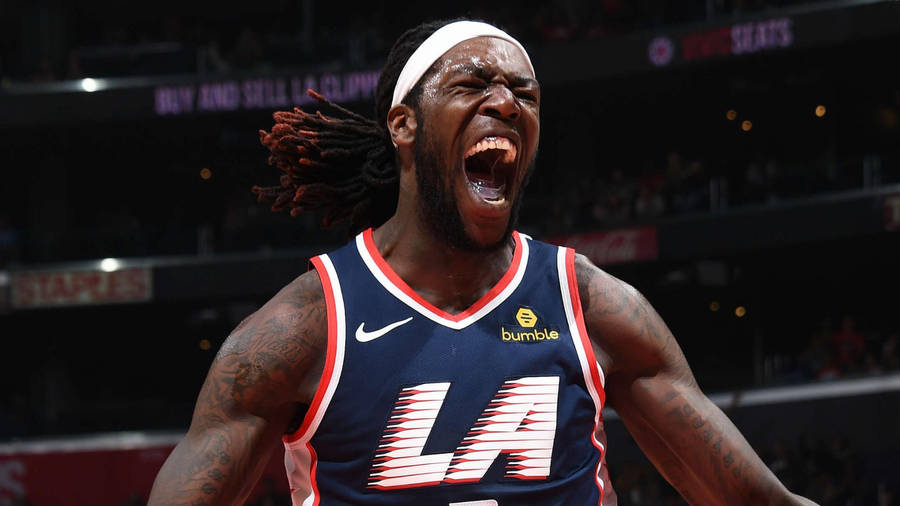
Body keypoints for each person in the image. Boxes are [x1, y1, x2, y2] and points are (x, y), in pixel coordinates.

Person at [148, 18, 816, 505]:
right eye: (474, 84)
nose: (505, 102)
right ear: (404, 124)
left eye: (525, 93)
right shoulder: (305, 326)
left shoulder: (589, 305)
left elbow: (757, 501)